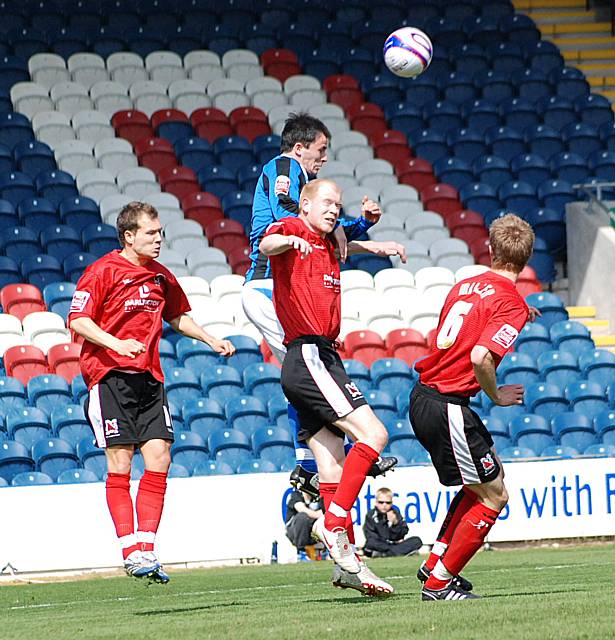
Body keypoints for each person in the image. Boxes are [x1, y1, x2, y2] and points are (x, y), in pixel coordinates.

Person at [68, 202, 235, 583]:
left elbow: (176, 316)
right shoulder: (102, 271)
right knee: (121, 463)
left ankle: (147, 546)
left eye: (160, 233)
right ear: (129, 236)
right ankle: (129, 550)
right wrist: (115, 343)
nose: (159, 239)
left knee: (160, 458)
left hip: (149, 378)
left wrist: (210, 338)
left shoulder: (161, 276)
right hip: (110, 376)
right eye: (151, 233)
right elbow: (78, 319)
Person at [260, 178, 407, 596]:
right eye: (326, 203)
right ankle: (335, 523)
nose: (332, 209)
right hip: (308, 355)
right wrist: (288, 242)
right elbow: (267, 244)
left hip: (318, 356)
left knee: (333, 466)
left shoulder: (328, 240)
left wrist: (376, 245)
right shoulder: (292, 228)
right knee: (375, 434)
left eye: (337, 205)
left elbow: (344, 246)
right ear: (305, 205)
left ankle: (347, 564)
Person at [242, 111, 396, 497]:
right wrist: (346, 227)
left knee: (306, 375)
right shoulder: (285, 167)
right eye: (320, 149)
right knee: (308, 364)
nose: (324, 158)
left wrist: (364, 231)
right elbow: (287, 216)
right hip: (268, 282)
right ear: (299, 148)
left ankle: (311, 462)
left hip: (275, 284)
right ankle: (332, 449)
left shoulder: (309, 193)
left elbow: (324, 235)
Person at [409, 213, 536, 601]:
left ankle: (435, 564)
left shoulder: (465, 284)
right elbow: (481, 355)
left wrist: (517, 311)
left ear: (492, 249)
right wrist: (496, 395)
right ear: (527, 257)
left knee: (481, 481)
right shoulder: (511, 302)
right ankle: (439, 584)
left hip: (426, 396)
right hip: (449, 404)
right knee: (495, 495)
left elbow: (466, 327)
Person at [363, 487, 422, 558]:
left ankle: (384, 555)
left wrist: (395, 524)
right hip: (380, 544)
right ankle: (400, 553)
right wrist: (386, 543)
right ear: (376, 503)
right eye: (381, 502)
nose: (384, 505)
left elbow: (402, 534)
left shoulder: (395, 513)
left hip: (393, 544)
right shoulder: (371, 515)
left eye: (388, 503)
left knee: (417, 541)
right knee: (370, 544)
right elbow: (370, 536)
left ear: (391, 503)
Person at [285, 489, 323, 560]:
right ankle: (301, 552)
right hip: (294, 532)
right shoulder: (295, 495)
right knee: (303, 517)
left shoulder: (319, 496)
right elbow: (302, 510)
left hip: (313, 534)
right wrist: (319, 514)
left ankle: (325, 552)